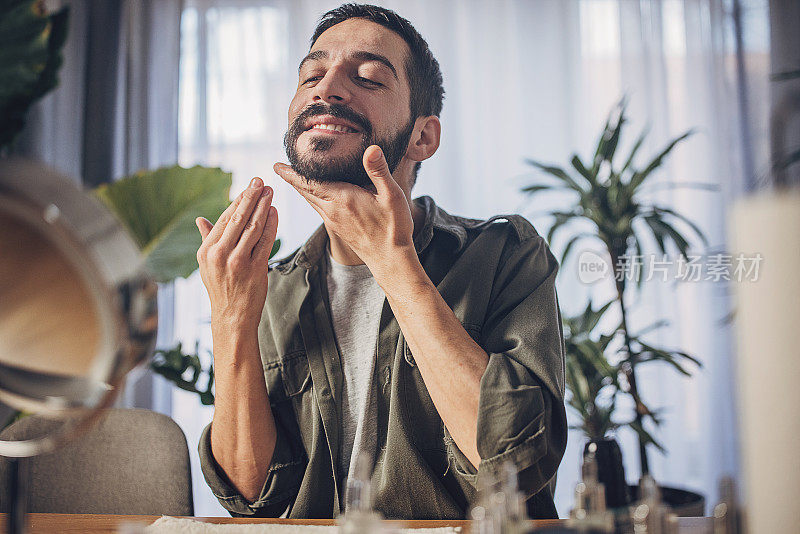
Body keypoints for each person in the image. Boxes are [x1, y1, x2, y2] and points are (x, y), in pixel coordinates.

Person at [195, 3, 567, 520]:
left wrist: (392, 261)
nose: (327, 89)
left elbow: (514, 465)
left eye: (368, 77)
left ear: (423, 136)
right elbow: (255, 496)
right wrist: (232, 318)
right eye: (311, 75)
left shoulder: (505, 254)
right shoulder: (270, 289)